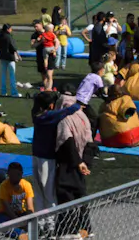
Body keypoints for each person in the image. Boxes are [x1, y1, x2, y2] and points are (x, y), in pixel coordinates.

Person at [31, 90, 82, 216]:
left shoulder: (36, 114)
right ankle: (51, 221)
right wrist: (78, 104)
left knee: (38, 192)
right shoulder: (50, 116)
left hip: (36, 156)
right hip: (47, 159)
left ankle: (40, 221)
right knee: (49, 192)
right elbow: (68, 111)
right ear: (51, 105)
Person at [53, 85, 94, 236]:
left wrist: (78, 162)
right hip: (81, 163)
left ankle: (67, 230)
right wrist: (86, 163)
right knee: (81, 195)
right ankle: (86, 228)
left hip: (68, 164)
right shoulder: (83, 116)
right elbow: (90, 142)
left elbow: (67, 141)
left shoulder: (64, 118)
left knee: (66, 195)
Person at [76, 60, 106, 138]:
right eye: (103, 70)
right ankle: (91, 138)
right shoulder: (97, 78)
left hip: (77, 99)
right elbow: (102, 93)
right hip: (83, 102)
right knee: (94, 119)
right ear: (100, 71)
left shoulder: (89, 75)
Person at [0, 23, 21, 98]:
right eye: (11, 28)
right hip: (10, 57)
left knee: (3, 75)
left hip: (2, 56)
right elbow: (13, 47)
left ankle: (3, 92)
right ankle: (14, 93)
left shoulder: (0, 35)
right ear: (8, 29)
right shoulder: (9, 36)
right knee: (12, 75)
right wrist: (18, 55)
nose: (11, 30)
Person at [41, 22, 57, 90]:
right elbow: (55, 40)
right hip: (51, 48)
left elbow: (40, 38)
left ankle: (45, 66)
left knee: (45, 59)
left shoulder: (44, 34)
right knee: (48, 75)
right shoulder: (52, 34)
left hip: (46, 49)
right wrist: (54, 49)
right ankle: (47, 88)